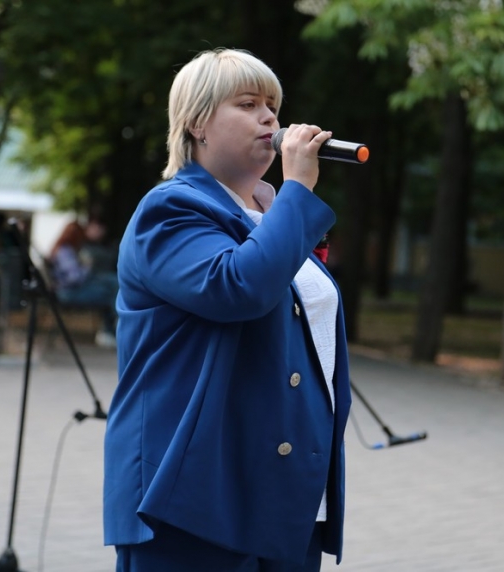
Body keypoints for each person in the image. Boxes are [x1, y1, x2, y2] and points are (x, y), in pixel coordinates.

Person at [103, 48, 352, 571]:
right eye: (248, 103)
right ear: (197, 124)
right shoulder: (170, 209)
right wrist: (299, 191)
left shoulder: (268, 214)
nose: (269, 118)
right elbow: (238, 288)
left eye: (273, 106)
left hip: (281, 495)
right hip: (193, 494)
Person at [48, 218, 119, 347]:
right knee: (111, 294)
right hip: (68, 293)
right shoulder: (65, 251)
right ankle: (111, 330)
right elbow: (74, 278)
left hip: (69, 290)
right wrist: (87, 266)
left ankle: (110, 331)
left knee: (111, 284)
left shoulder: (64, 249)